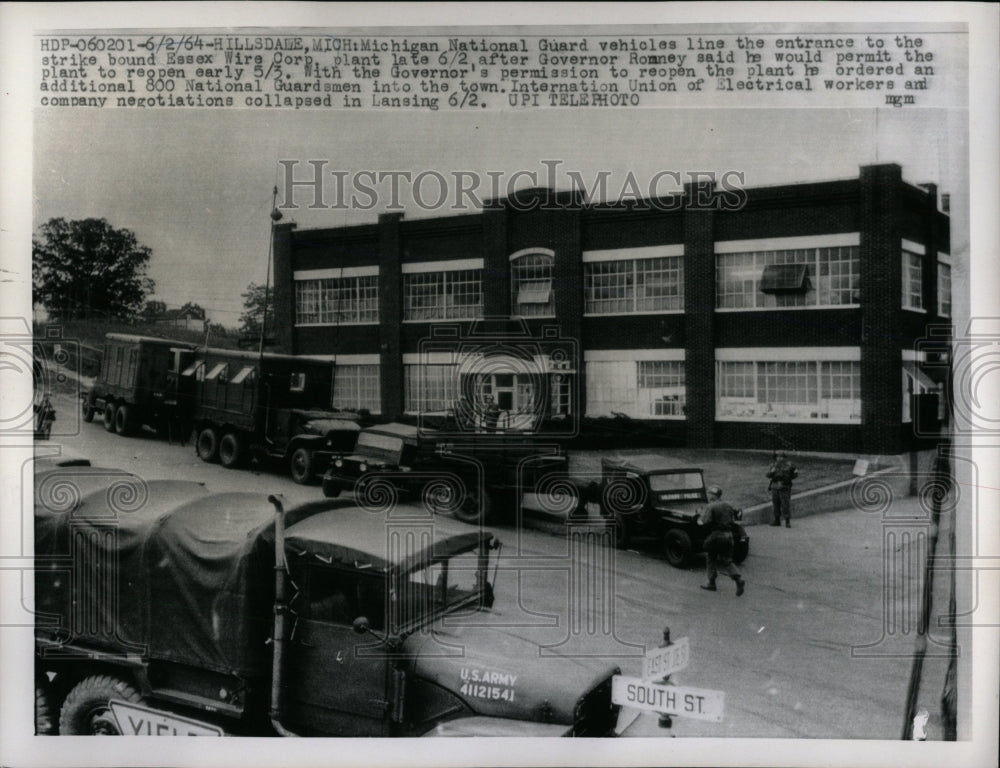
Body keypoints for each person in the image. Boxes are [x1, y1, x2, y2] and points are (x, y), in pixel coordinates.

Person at [697, 485, 746, 596]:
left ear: (713, 495)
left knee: (710, 556)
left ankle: (711, 582)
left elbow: (704, 522)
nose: (708, 495)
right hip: (729, 535)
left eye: (709, 493)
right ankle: (738, 580)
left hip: (716, 535)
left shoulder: (711, 506)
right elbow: (737, 515)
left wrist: (700, 516)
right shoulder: (728, 505)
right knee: (727, 560)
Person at [766, 451, 798, 527]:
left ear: (784, 458)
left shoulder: (790, 465)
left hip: (785, 486)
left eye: (781, 457)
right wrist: (772, 472)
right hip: (775, 486)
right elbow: (767, 475)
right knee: (776, 503)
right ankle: (777, 520)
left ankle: (787, 521)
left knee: (785, 504)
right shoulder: (773, 465)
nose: (779, 458)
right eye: (778, 457)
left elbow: (795, 473)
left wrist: (788, 479)